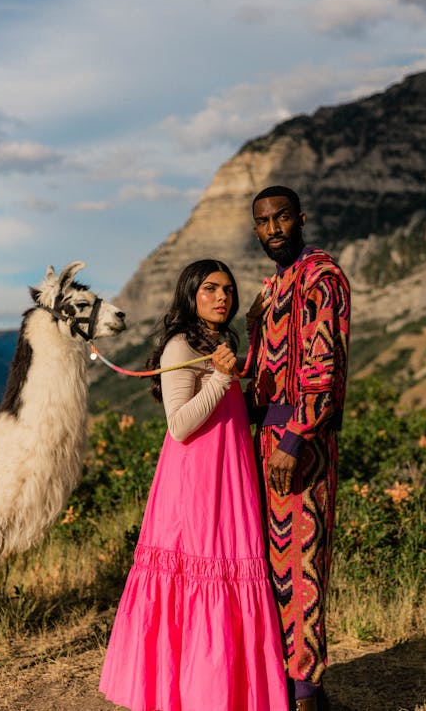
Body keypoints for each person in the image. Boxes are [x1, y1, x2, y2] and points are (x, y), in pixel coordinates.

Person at [99, 259, 289, 711]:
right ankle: (192, 696)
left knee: (230, 571)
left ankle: (228, 694)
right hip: (195, 487)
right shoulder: (181, 347)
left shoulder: (216, 342)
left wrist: (253, 336)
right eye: (210, 289)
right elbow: (180, 425)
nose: (221, 296)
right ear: (190, 295)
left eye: (227, 289)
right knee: (199, 577)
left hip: (229, 477)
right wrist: (223, 377)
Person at [245, 187, 350, 711]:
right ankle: (290, 688)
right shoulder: (276, 285)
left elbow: (322, 372)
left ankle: (306, 693)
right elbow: (264, 370)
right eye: (263, 222)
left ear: (301, 218)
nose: (273, 229)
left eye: (282, 217)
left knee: (302, 567)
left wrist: (292, 439)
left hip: (299, 445)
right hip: (267, 443)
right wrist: (250, 327)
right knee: (273, 570)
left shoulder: (319, 277)